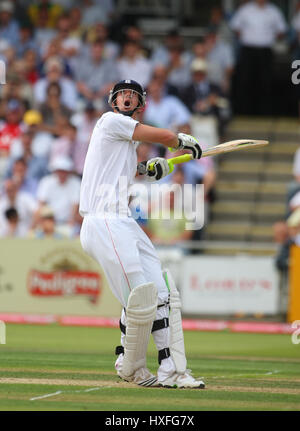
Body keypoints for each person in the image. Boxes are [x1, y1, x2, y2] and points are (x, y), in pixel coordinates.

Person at [79, 79, 205, 388]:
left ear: (140, 103)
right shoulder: (110, 121)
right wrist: (180, 140)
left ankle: (173, 372)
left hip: (122, 221)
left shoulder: (125, 140)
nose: (126, 98)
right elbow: (161, 135)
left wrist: (150, 169)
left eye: (132, 96)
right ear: (113, 100)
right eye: (122, 94)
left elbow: (129, 168)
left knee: (161, 294)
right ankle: (129, 364)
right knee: (141, 298)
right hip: (103, 220)